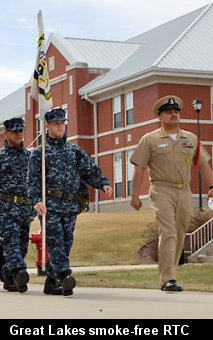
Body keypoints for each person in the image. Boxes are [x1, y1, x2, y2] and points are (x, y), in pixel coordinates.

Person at [130, 95, 213, 292]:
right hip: (161, 189)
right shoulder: (150, 140)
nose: (173, 114)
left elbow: (203, 164)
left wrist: (212, 186)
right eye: (168, 112)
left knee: (179, 232)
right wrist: (135, 196)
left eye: (176, 111)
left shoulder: (191, 139)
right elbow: (139, 169)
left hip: (184, 190)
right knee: (167, 231)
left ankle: (171, 274)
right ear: (160, 117)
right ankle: (168, 279)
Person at [28, 108, 113, 296]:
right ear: (48, 126)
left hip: (70, 206)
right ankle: (65, 276)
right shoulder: (39, 153)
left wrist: (103, 184)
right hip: (49, 205)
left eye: (62, 122)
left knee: (66, 243)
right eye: (56, 123)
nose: (60, 126)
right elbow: (33, 180)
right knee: (56, 240)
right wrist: (36, 201)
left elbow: (90, 170)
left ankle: (51, 281)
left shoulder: (74, 151)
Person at [0, 118, 34, 293]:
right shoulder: (1, 157)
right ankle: (19, 272)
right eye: (15, 131)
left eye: (21, 130)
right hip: (5, 210)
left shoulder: (31, 157)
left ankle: (7, 276)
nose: (19, 134)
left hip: (25, 210)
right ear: (6, 133)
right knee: (11, 242)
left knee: (21, 247)